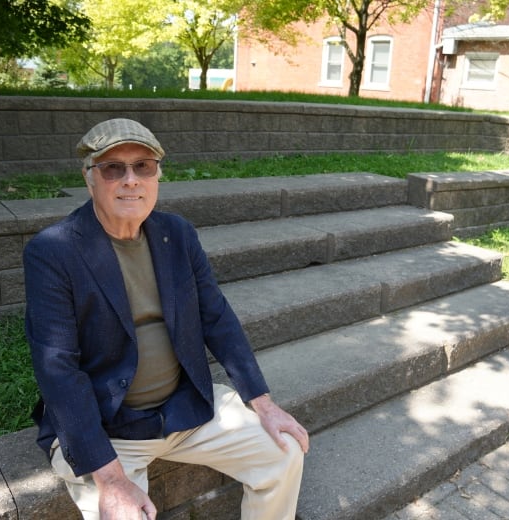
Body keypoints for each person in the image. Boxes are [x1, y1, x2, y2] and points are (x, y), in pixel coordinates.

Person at [23, 118, 309, 520]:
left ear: (157, 175)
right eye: (113, 168)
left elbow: (217, 317)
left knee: (284, 450)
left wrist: (262, 403)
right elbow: (57, 369)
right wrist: (110, 480)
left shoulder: (177, 233)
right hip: (110, 427)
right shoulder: (53, 252)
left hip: (184, 410)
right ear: (90, 179)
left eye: (143, 166)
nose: (130, 181)